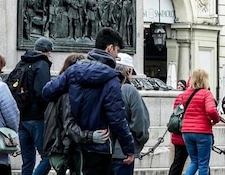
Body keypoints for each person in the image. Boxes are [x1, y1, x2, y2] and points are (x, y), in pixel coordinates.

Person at [42, 27, 136, 174]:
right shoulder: (111, 79)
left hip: (74, 144)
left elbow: (47, 92)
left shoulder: (73, 71)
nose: (117, 56)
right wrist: (129, 148)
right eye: (117, 50)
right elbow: (117, 118)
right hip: (100, 147)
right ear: (109, 48)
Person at [43, 53, 97, 175]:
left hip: (59, 149)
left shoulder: (57, 91)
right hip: (66, 151)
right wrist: (90, 136)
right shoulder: (68, 95)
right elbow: (69, 127)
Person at [16, 37, 54, 175]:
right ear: (47, 51)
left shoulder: (21, 63)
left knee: (27, 162)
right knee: (48, 157)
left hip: (22, 118)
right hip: (37, 118)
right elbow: (42, 92)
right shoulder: (42, 64)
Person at [111, 53, 150, 175]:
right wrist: (138, 142)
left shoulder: (103, 88)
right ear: (128, 71)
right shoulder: (129, 91)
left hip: (101, 151)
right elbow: (139, 122)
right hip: (123, 153)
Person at [178, 68, 220, 175]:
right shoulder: (206, 93)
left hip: (187, 131)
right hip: (202, 131)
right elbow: (211, 110)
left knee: (194, 161)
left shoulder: (185, 94)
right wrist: (216, 120)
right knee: (203, 164)